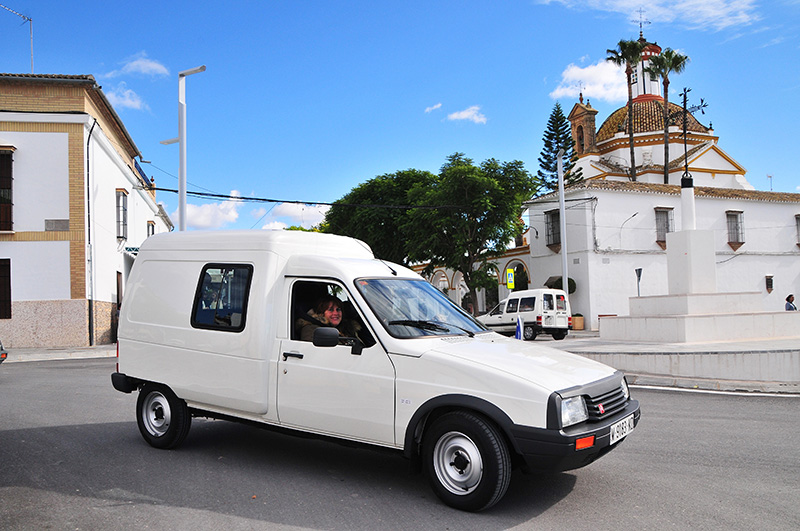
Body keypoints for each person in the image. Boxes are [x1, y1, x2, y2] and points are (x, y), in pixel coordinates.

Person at [297, 295, 363, 342]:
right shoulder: (311, 330)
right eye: (331, 310)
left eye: (338, 309)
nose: (336, 313)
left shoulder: (348, 328)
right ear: (321, 313)